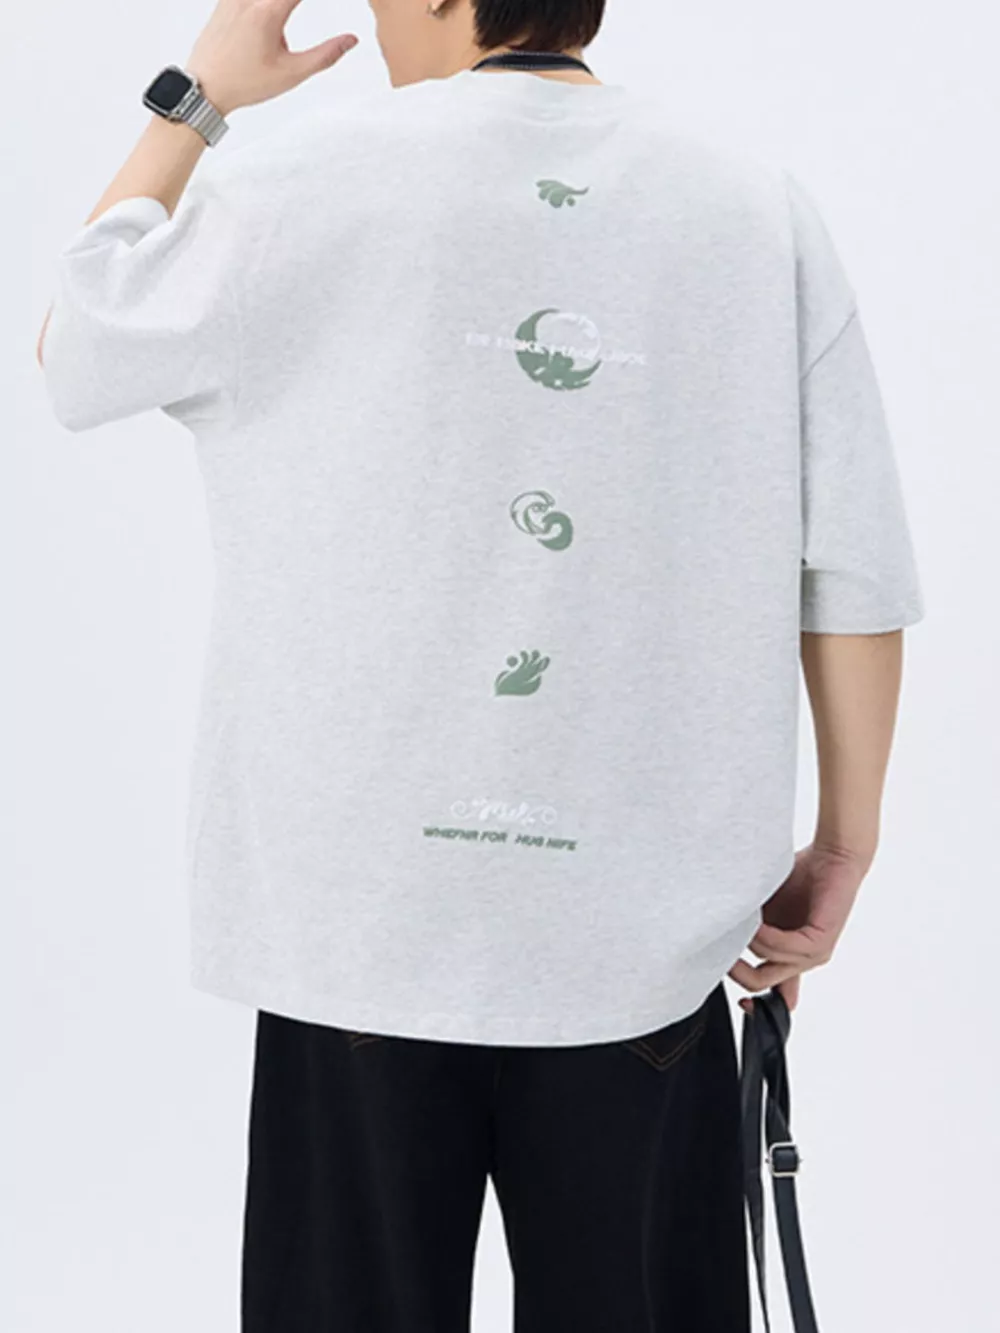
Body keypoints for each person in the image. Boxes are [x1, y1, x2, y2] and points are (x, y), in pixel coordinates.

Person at [36, 1, 925, 1329]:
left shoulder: (301, 180)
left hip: (360, 926)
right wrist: (845, 840)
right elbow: (850, 568)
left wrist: (200, 99)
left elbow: (82, 348)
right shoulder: (751, 208)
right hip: (641, 934)